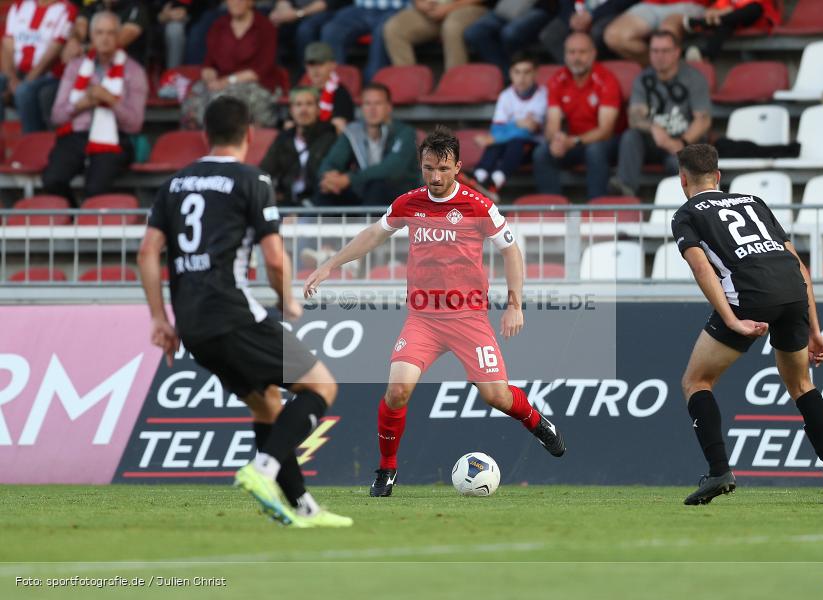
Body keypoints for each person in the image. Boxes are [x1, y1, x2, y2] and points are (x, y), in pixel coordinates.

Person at [304, 126, 566, 498]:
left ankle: (537, 423)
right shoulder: (409, 202)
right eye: (429, 168)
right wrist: (331, 264)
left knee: (496, 397)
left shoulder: (478, 206)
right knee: (397, 390)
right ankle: (387, 470)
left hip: (469, 318)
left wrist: (514, 305)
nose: (436, 177)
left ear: (457, 166)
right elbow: (373, 235)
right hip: (423, 319)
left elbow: (511, 251)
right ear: (421, 166)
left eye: (443, 169)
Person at [137, 95, 353, 528]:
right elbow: (274, 258)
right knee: (321, 387)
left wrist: (160, 319)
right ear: (250, 135)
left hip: (193, 324)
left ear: (204, 134)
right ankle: (264, 468)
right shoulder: (251, 179)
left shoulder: (175, 183)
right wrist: (288, 299)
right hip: (233, 313)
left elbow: (147, 252)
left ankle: (302, 508)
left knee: (266, 405)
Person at [671, 143, 823, 506]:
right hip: (791, 290)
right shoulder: (753, 202)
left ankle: (719, 470)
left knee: (696, 381)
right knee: (802, 384)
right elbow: (798, 263)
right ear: (718, 177)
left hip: (750, 293)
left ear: (683, 179)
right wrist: (815, 328)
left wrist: (732, 319)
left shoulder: (686, 213)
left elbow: (702, 268)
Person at [43, 11, 147, 204]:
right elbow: (57, 116)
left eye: (110, 33)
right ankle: (72, 221)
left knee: (95, 188)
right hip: (77, 134)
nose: (105, 38)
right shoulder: (76, 67)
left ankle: (87, 227)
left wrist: (111, 101)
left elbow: (135, 124)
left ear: (118, 37)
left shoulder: (134, 71)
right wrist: (83, 103)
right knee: (52, 179)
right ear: (92, 36)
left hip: (116, 138)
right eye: (99, 33)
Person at [611, 30, 709, 197]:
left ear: (677, 52)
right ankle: (625, 193)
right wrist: (654, 128)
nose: (659, 56)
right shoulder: (643, 79)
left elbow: (703, 120)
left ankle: (684, 207)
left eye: (665, 51)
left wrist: (681, 142)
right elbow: (634, 117)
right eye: (655, 51)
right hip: (654, 141)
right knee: (630, 136)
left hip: (685, 141)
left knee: (678, 162)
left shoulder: (694, 77)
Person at [534, 32, 622, 199]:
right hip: (572, 142)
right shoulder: (557, 79)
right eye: (571, 52)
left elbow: (606, 130)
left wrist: (572, 141)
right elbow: (552, 121)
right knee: (542, 152)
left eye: (582, 52)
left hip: (607, 143)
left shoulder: (606, 79)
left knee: (594, 151)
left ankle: (597, 211)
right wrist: (556, 140)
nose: (576, 57)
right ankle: (552, 212)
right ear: (565, 55)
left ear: (593, 54)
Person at [315, 82, 419, 206]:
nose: (372, 109)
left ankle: (370, 225)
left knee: (377, 186)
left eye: (378, 103)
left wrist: (349, 179)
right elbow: (331, 161)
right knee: (326, 191)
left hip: (402, 197)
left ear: (389, 107)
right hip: (364, 193)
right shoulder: (353, 131)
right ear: (362, 108)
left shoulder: (405, 132)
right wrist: (329, 177)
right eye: (367, 103)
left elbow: (392, 168)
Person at [181, 0, 280, 128]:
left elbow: (262, 69)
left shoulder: (265, 27)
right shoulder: (219, 25)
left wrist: (228, 81)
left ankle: (225, 140)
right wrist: (208, 73)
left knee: (222, 99)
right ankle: (196, 140)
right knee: (192, 99)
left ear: (250, 2)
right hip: (221, 81)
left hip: (254, 83)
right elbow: (209, 62)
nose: (236, 2)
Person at [473, 52, 547, 198]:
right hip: (506, 147)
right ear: (511, 73)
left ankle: (494, 184)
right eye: (517, 72)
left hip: (534, 149)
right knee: (497, 143)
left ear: (535, 73)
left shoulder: (543, 95)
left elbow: (529, 131)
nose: (522, 78)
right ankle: (478, 178)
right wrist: (518, 124)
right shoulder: (506, 95)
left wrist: (501, 133)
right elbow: (496, 130)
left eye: (527, 72)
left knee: (515, 142)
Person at [0, 0, 76, 133]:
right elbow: (7, 45)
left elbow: (53, 52)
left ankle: (31, 141)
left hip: (48, 75)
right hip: (17, 72)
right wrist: (12, 79)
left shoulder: (66, 9)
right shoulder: (19, 6)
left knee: (24, 91)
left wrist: (25, 82)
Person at [260, 86, 337, 205]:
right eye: (298, 104)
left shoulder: (330, 138)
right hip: (287, 203)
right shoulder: (282, 139)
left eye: (309, 104)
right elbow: (264, 172)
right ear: (291, 110)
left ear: (318, 109)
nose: (303, 109)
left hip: (318, 205)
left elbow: (330, 181)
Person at [383, 0, 488, 72]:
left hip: (466, 7)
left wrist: (448, 8)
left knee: (451, 27)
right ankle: (407, 81)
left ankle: (455, 81)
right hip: (431, 10)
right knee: (395, 27)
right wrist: (420, 3)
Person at [464, 0, 559, 75]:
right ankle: (507, 75)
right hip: (507, 9)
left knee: (510, 33)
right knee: (474, 33)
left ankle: (522, 73)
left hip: (538, 8)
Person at [320, 0, 407, 82]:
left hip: (396, 8)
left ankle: (373, 86)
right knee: (332, 30)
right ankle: (337, 86)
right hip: (360, 8)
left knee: (381, 33)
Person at [603, 0, 706, 64]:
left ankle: (672, 73)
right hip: (652, 3)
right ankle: (661, 69)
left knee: (666, 35)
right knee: (613, 36)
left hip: (690, 3)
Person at [269, 0, 350, 78]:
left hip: (325, 10)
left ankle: (307, 77)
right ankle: (272, 76)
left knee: (306, 30)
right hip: (293, 9)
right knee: (263, 19)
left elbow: (329, 3)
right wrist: (282, 8)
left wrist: (297, 14)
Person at [682, 0, 780, 62]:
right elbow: (714, 9)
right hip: (733, 20)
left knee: (754, 8)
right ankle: (707, 55)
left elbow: (760, 6)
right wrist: (721, 12)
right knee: (727, 23)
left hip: (758, 19)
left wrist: (729, 10)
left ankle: (703, 24)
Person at [65, 0, 150, 63]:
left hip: (126, 69)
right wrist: (74, 41)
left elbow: (116, 41)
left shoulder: (136, 8)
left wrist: (83, 49)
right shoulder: (93, 6)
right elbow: (79, 28)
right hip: (88, 65)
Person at [302, 41, 354, 133]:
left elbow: (340, 128)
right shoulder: (301, 93)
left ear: (333, 65)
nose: (315, 70)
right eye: (311, 65)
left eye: (320, 64)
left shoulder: (340, 93)